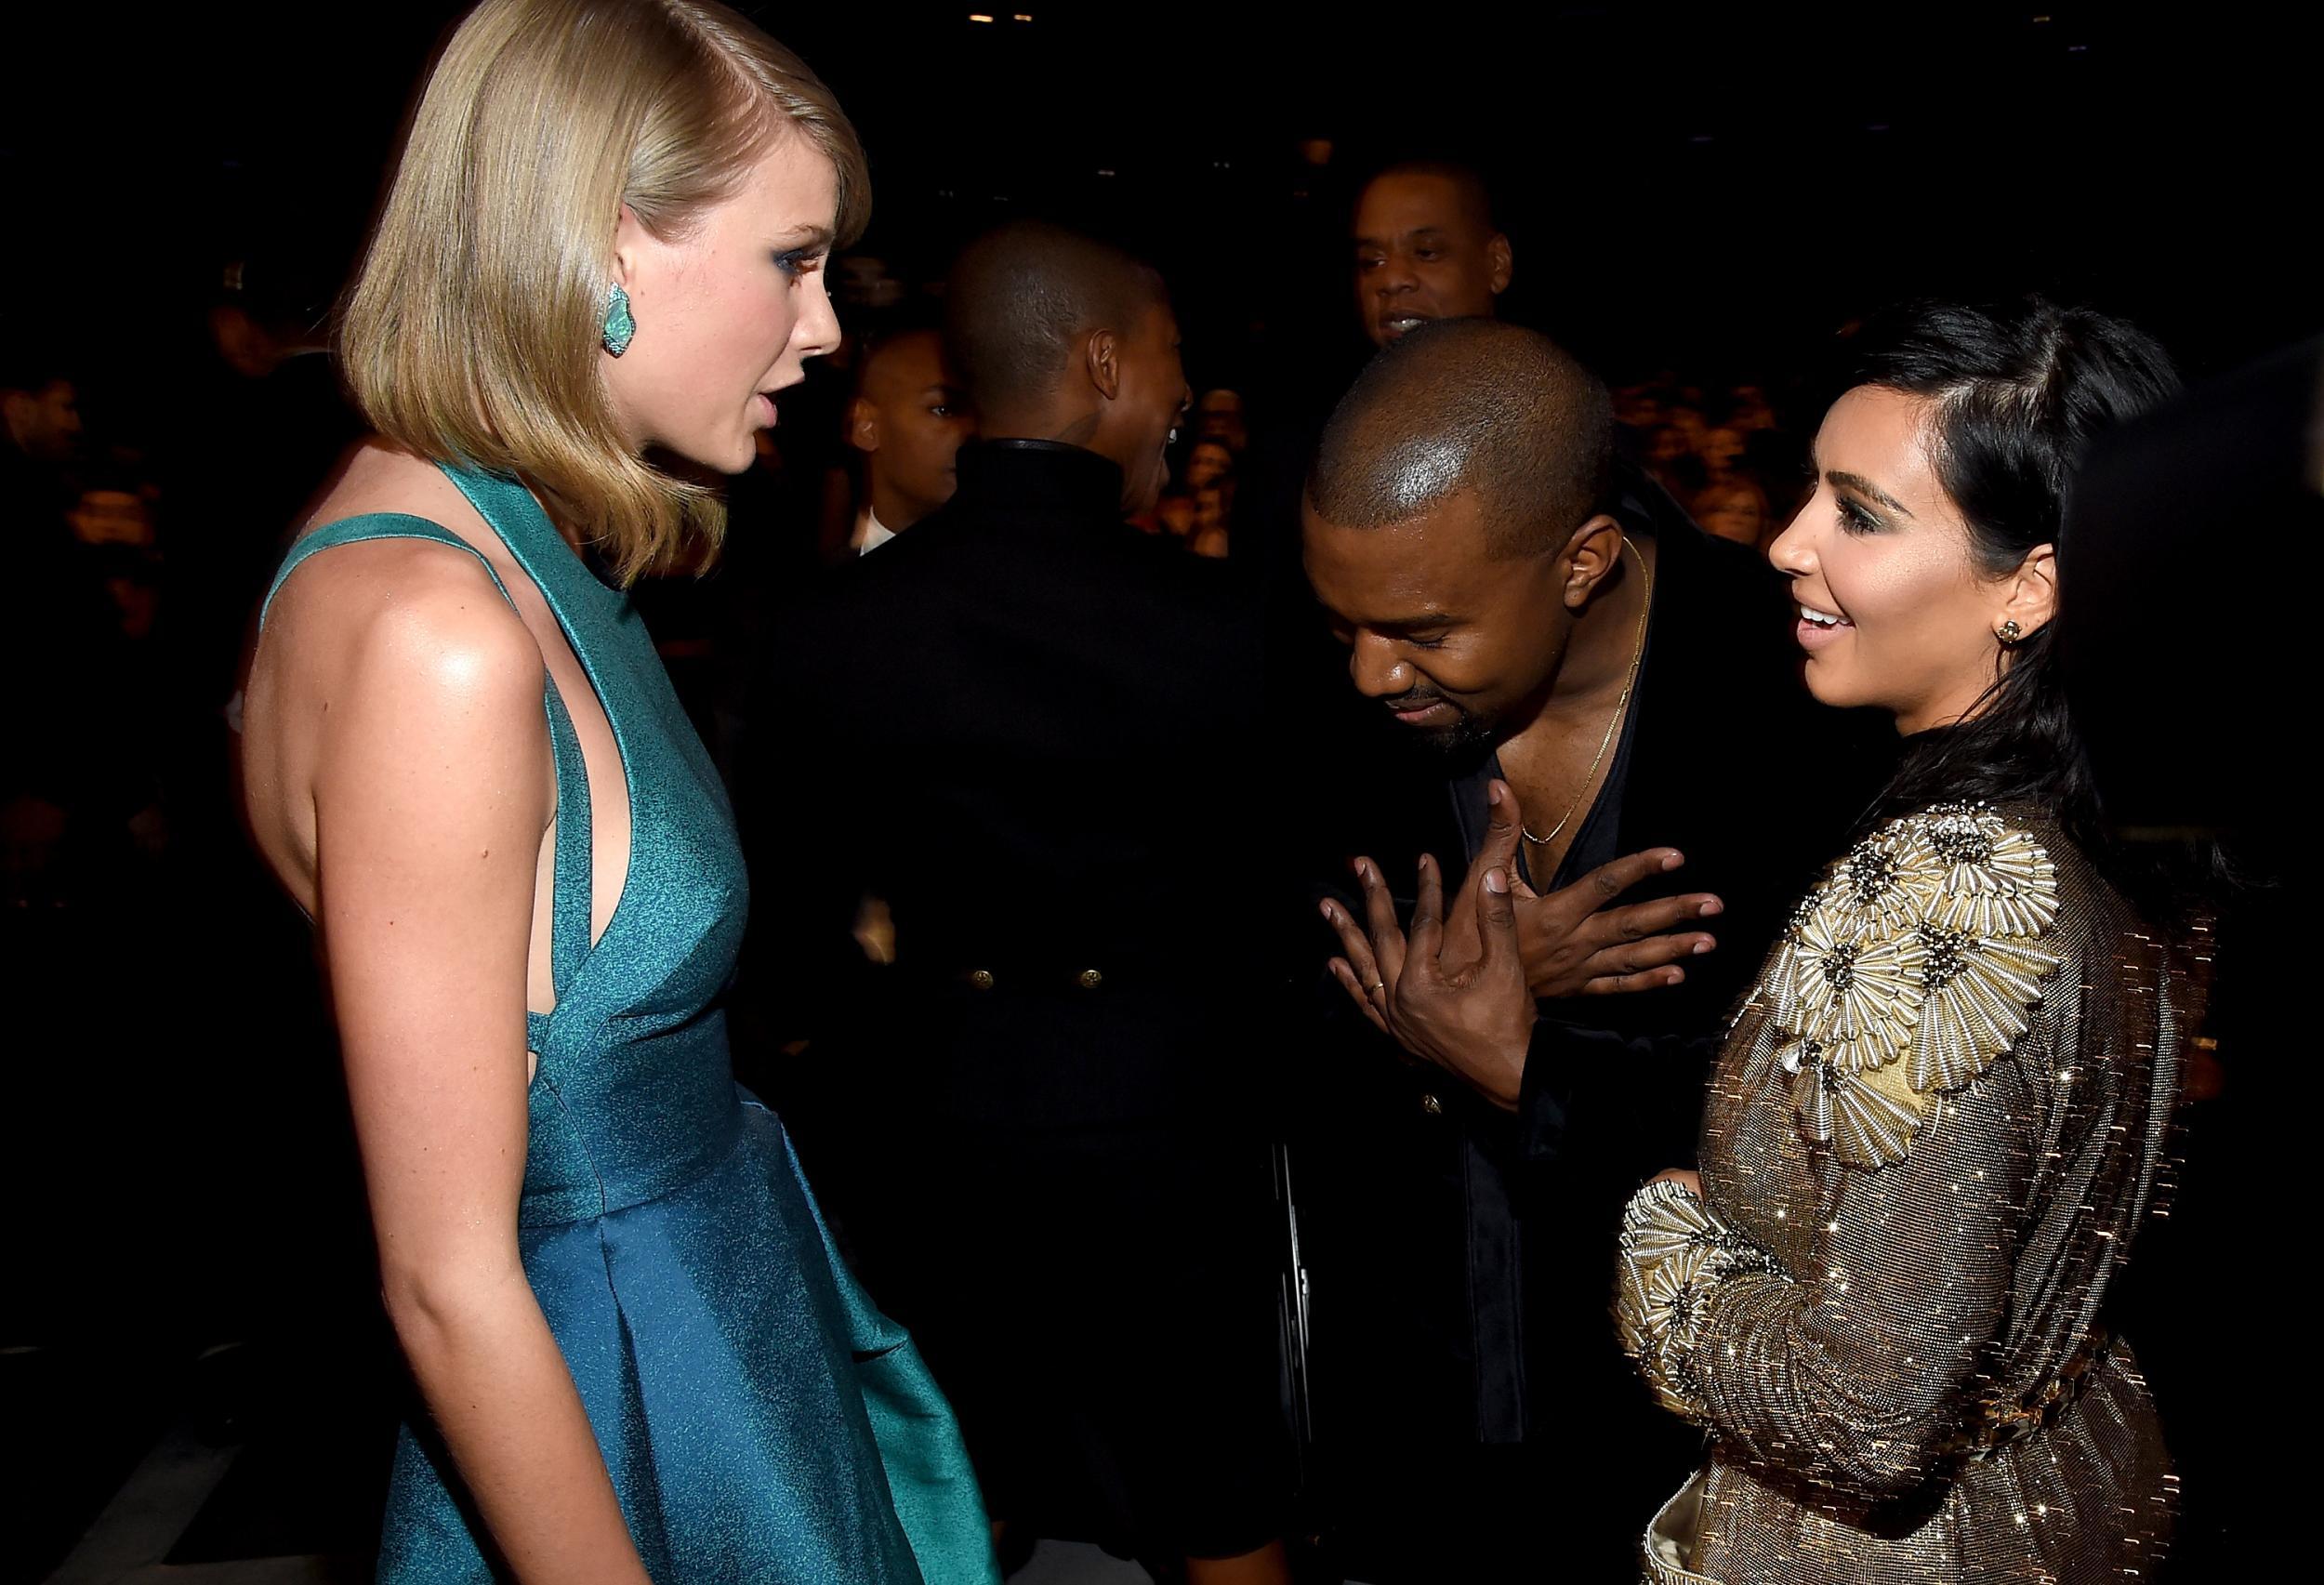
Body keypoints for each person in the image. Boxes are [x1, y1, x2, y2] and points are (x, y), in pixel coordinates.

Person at [235, 4, 993, 1579]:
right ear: (600, 242)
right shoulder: (437, 633)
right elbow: (447, 1280)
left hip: (706, 1329)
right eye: (791, 260)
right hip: (625, 1407)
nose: (829, 326)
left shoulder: (504, 542)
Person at [1328, 298, 2203, 1580]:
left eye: (1860, 513)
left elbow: (1868, 1414)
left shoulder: (1950, 896)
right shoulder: (2084, 816)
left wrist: (1664, 1239)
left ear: (2030, 585)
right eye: (1809, 494)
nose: (1786, 541)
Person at [746, 220, 1295, 1584]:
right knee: (1219, 1499)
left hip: (925, 1116)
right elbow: (1293, 894)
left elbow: (785, 926)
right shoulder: (1230, 626)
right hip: (1167, 1121)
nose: (1181, 392)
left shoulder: (829, 630)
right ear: (1103, 363)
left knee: (949, 1493)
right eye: (1170, 359)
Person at [1297, 318, 1885, 1578]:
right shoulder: (1328, 705)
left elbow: (1845, 1129)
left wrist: (1522, 1046)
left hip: (1701, 1441)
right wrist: (1430, 1020)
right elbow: (1253, 1026)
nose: (1366, 670)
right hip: (1422, 1418)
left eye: (1422, 629)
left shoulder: (1802, 699)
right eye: (1340, 621)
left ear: (1582, 561)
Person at [1350, 159, 1512, 350]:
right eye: (1372, 262)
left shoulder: (1542, 374)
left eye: (1426, 253)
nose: (1391, 280)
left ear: (1497, 263)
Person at [843, 323, 972, 552]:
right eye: (943, 409)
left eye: (982, 411)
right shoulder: (818, 584)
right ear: (867, 426)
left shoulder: (1024, 574)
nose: (972, 429)